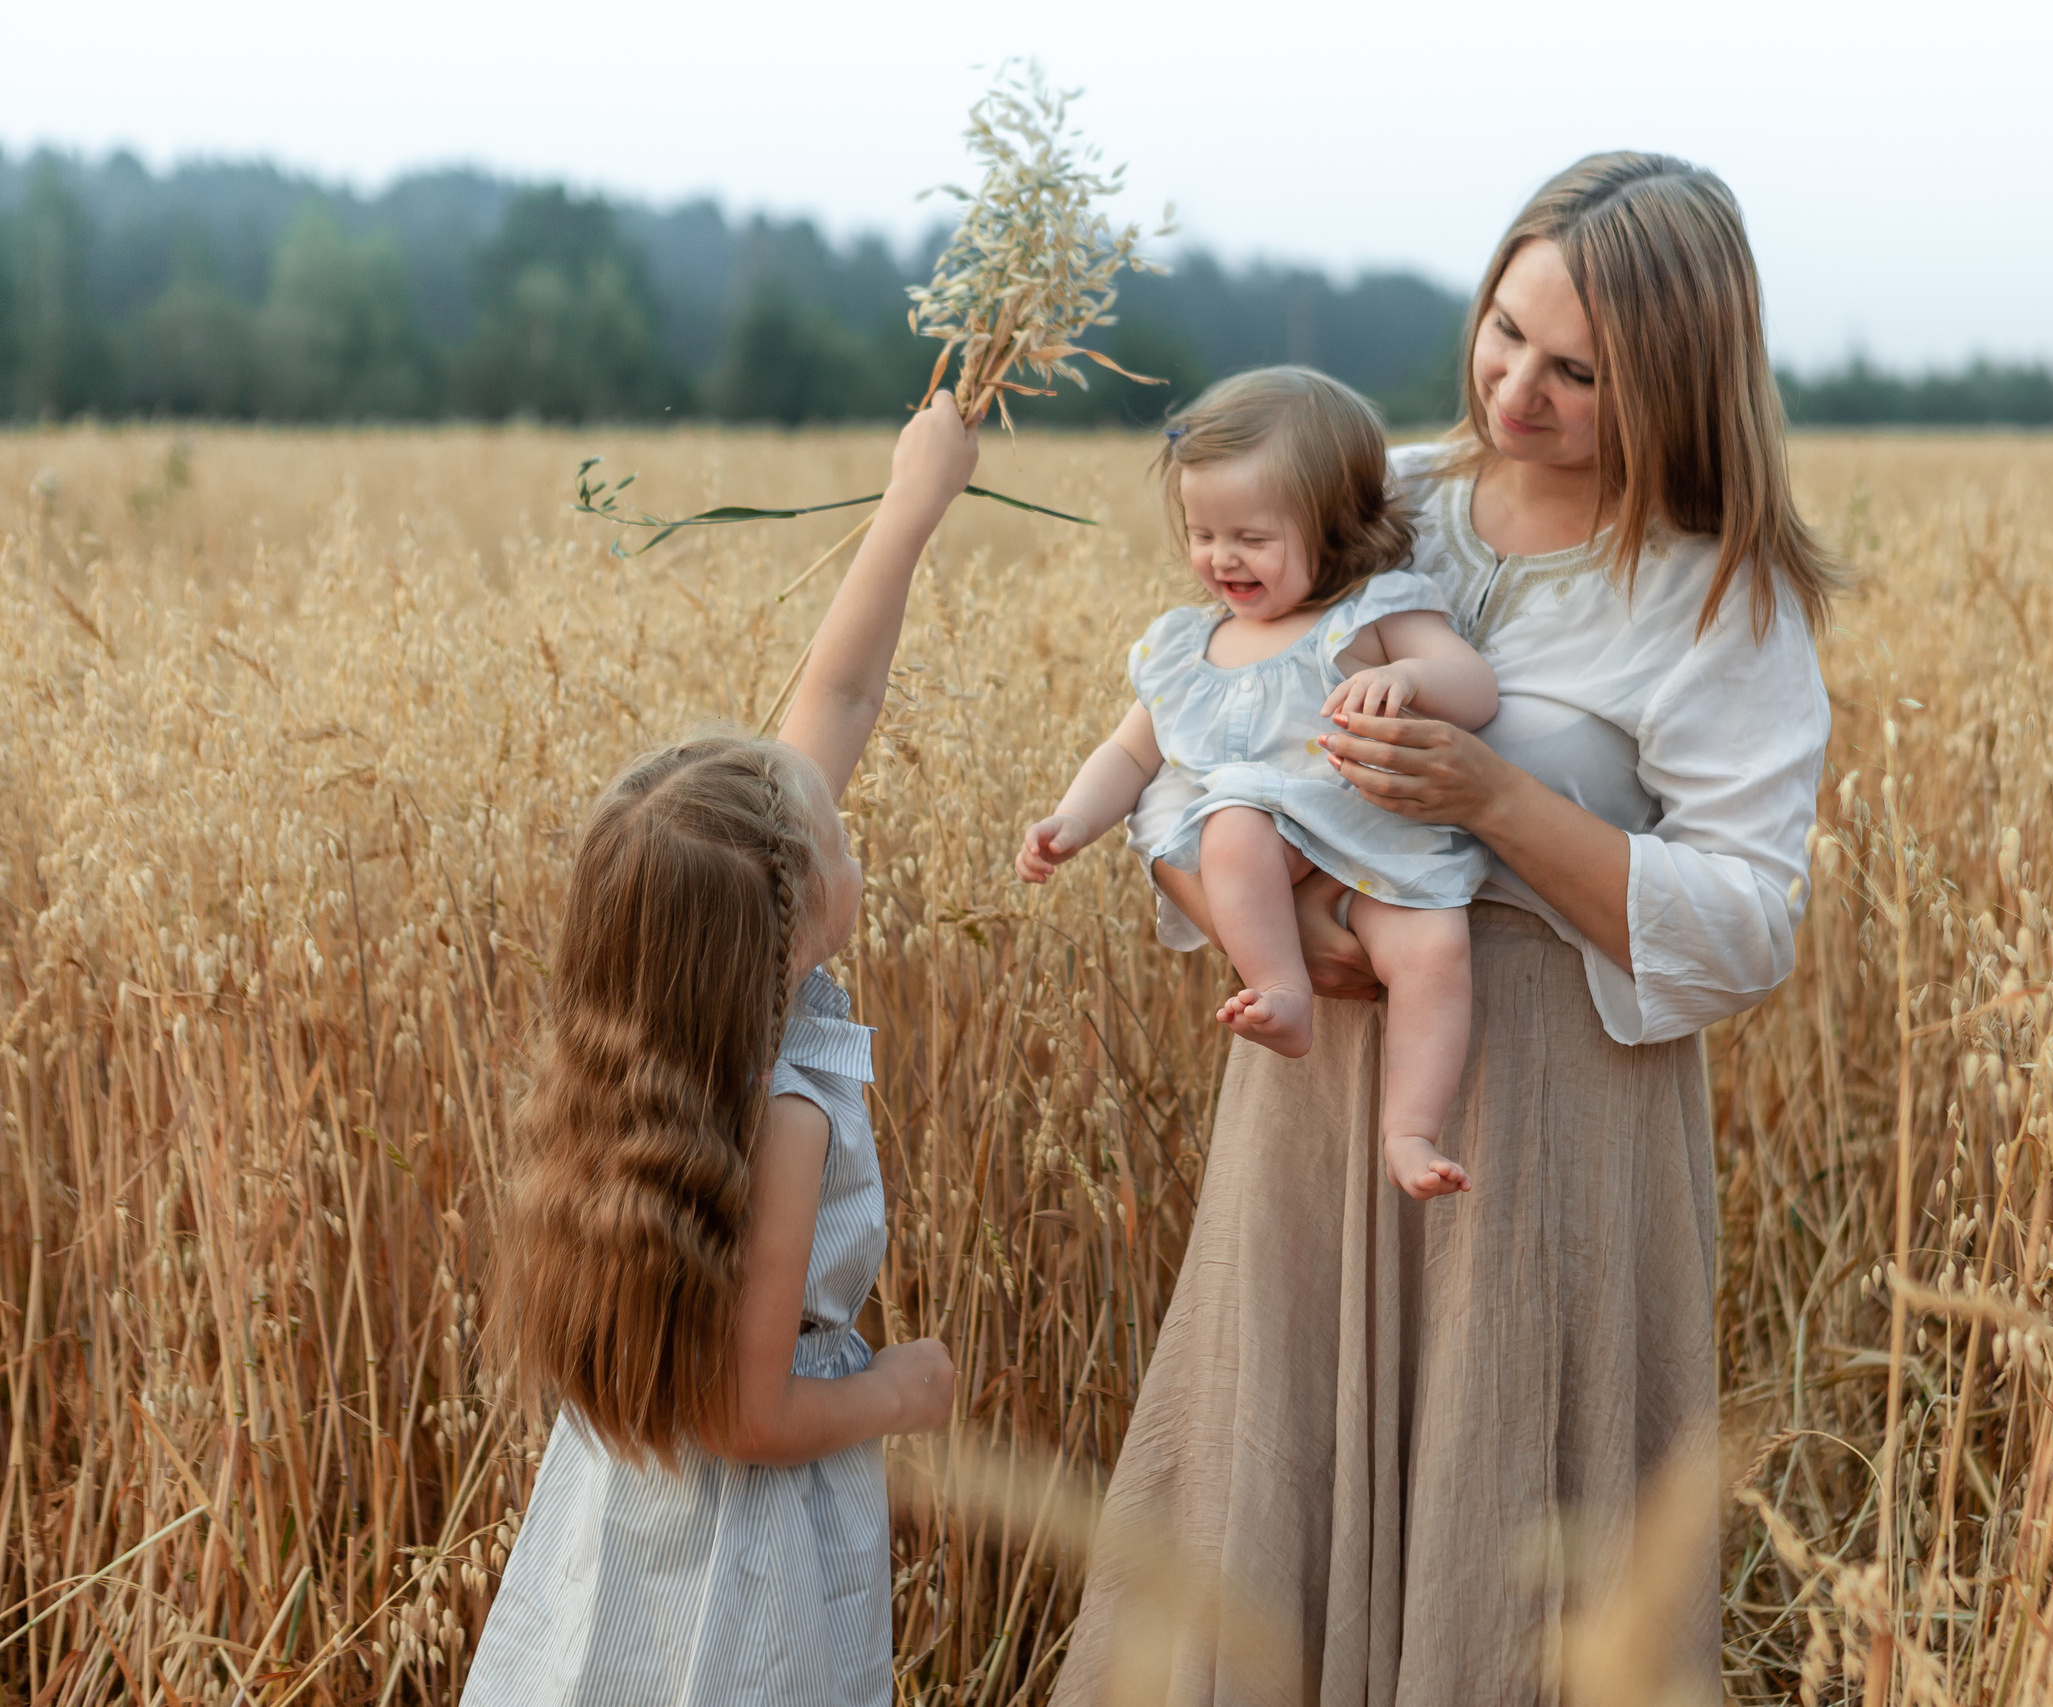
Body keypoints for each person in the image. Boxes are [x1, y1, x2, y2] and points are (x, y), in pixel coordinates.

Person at [1055, 154, 1847, 1705]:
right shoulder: (1377, 497)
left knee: (1510, 1564)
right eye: (1501, 333)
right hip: (1312, 1102)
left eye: (1576, 372)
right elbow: (1183, 753)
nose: (1516, 390)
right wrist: (1278, 929)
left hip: (1549, 1140)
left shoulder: (1719, 599)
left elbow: (1750, 928)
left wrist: (1491, 797)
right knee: (1265, 1503)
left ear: (1679, 385)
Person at [461, 395, 981, 1707]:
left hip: (618, 1508)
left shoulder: (663, 1017)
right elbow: (747, 1415)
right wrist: (897, 1389)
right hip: (748, 1540)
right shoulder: (787, 1105)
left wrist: (910, 507)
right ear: (787, 919)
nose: (851, 842)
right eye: (842, 846)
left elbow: (837, 693)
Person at [1017, 367, 1497, 1201]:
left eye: (1251, 536)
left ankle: (1411, 1127)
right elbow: (1130, 758)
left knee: (1435, 947)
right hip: (1267, 849)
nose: (1220, 557)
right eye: (1203, 533)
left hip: (1373, 845)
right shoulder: (1186, 650)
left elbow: (1476, 687)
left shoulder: (1374, 615)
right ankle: (1281, 985)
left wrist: (1413, 678)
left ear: (1336, 526)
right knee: (1231, 820)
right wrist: (1070, 821)